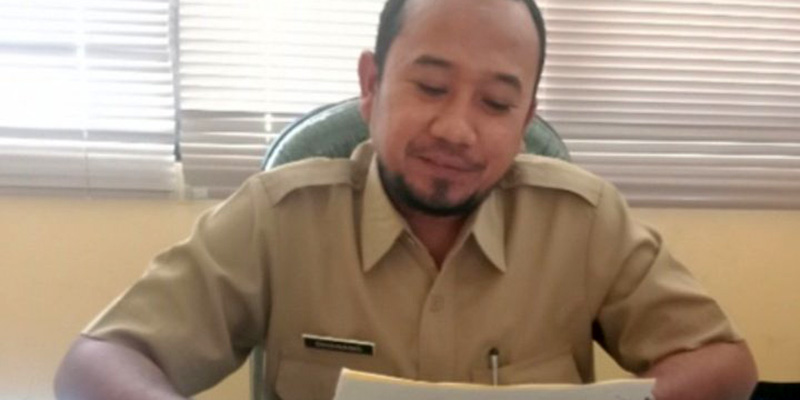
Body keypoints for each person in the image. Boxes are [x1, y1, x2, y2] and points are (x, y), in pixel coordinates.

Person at [55, 0, 758, 399]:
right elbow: (95, 363)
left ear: (525, 118)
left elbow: (724, 364)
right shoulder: (278, 218)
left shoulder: (586, 222)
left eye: (495, 102)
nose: (456, 129)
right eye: (430, 86)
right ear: (372, 85)